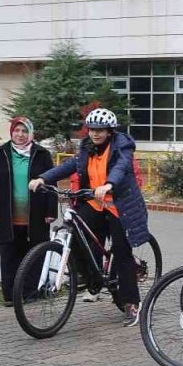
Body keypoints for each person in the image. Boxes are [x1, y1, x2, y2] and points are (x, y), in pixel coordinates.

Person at [30, 109, 150, 326]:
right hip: (95, 202)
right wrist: (43, 178)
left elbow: (122, 167)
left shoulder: (122, 145)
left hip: (119, 206)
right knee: (76, 234)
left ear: (110, 131)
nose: (96, 134)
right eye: (93, 129)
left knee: (122, 254)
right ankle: (92, 279)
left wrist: (109, 184)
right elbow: (71, 166)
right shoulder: (86, 147)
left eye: (100, 130)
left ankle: (132, 303)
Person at [0, 117, 58, 307]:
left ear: (30, 133)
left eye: (24, 131)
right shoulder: (1, 153)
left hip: (35, 216)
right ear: (11, 132)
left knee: (34, 256)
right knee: (9, 257)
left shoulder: (41, 154)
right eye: (17, 131)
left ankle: (30, 293)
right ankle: (10, 296)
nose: (20, 135)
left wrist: (51, 211)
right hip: (7, 217)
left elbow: (51, 183)